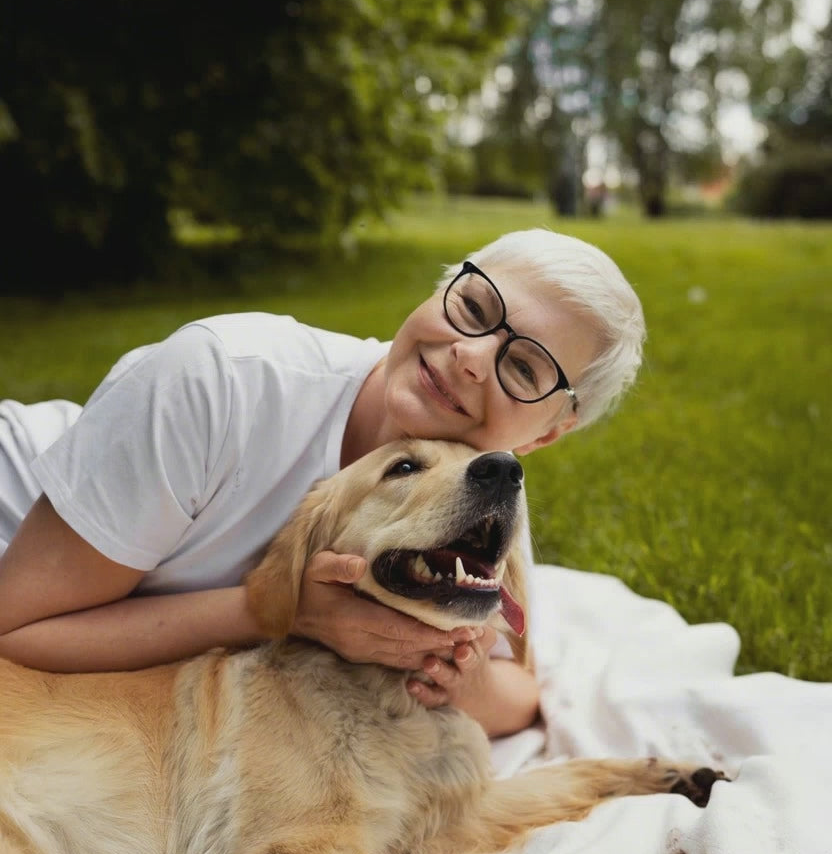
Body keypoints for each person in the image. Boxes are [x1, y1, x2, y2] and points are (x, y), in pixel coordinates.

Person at [0, 228, 645, 737]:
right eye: (473, 308)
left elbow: (518, 693)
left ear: (544, 434)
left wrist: (462, 678)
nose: (471, 355)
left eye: (526, 369)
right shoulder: (221, 382)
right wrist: (283, 612)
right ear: (437, 293)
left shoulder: (478, 483)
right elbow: (14, 633)